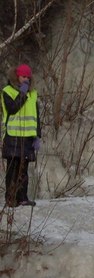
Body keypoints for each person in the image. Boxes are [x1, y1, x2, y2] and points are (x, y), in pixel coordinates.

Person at [2, 64, 41, 208]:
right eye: (23, 76)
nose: (26, 79)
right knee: (12, 169)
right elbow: (12, 108)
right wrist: (22, 93)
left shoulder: (33, 93)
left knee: (23, 170)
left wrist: (37, 136)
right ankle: (11, 199)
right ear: (17, 76)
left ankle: (22, 198)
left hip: (28, 138)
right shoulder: (7, 91)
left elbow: (36, 116)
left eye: (28, 77)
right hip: (13, 136)